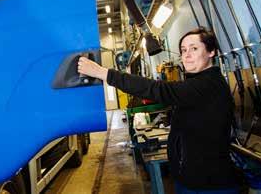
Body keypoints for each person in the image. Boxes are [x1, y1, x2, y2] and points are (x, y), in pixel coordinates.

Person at [78, 27, 239, 193]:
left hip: (209, 186)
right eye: (183, 50)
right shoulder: (198, 82)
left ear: (211, 51)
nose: (187, 55)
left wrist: (102, 72)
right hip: (191, 179)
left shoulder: (209, 84)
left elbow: (156, 89)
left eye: (194, 49)